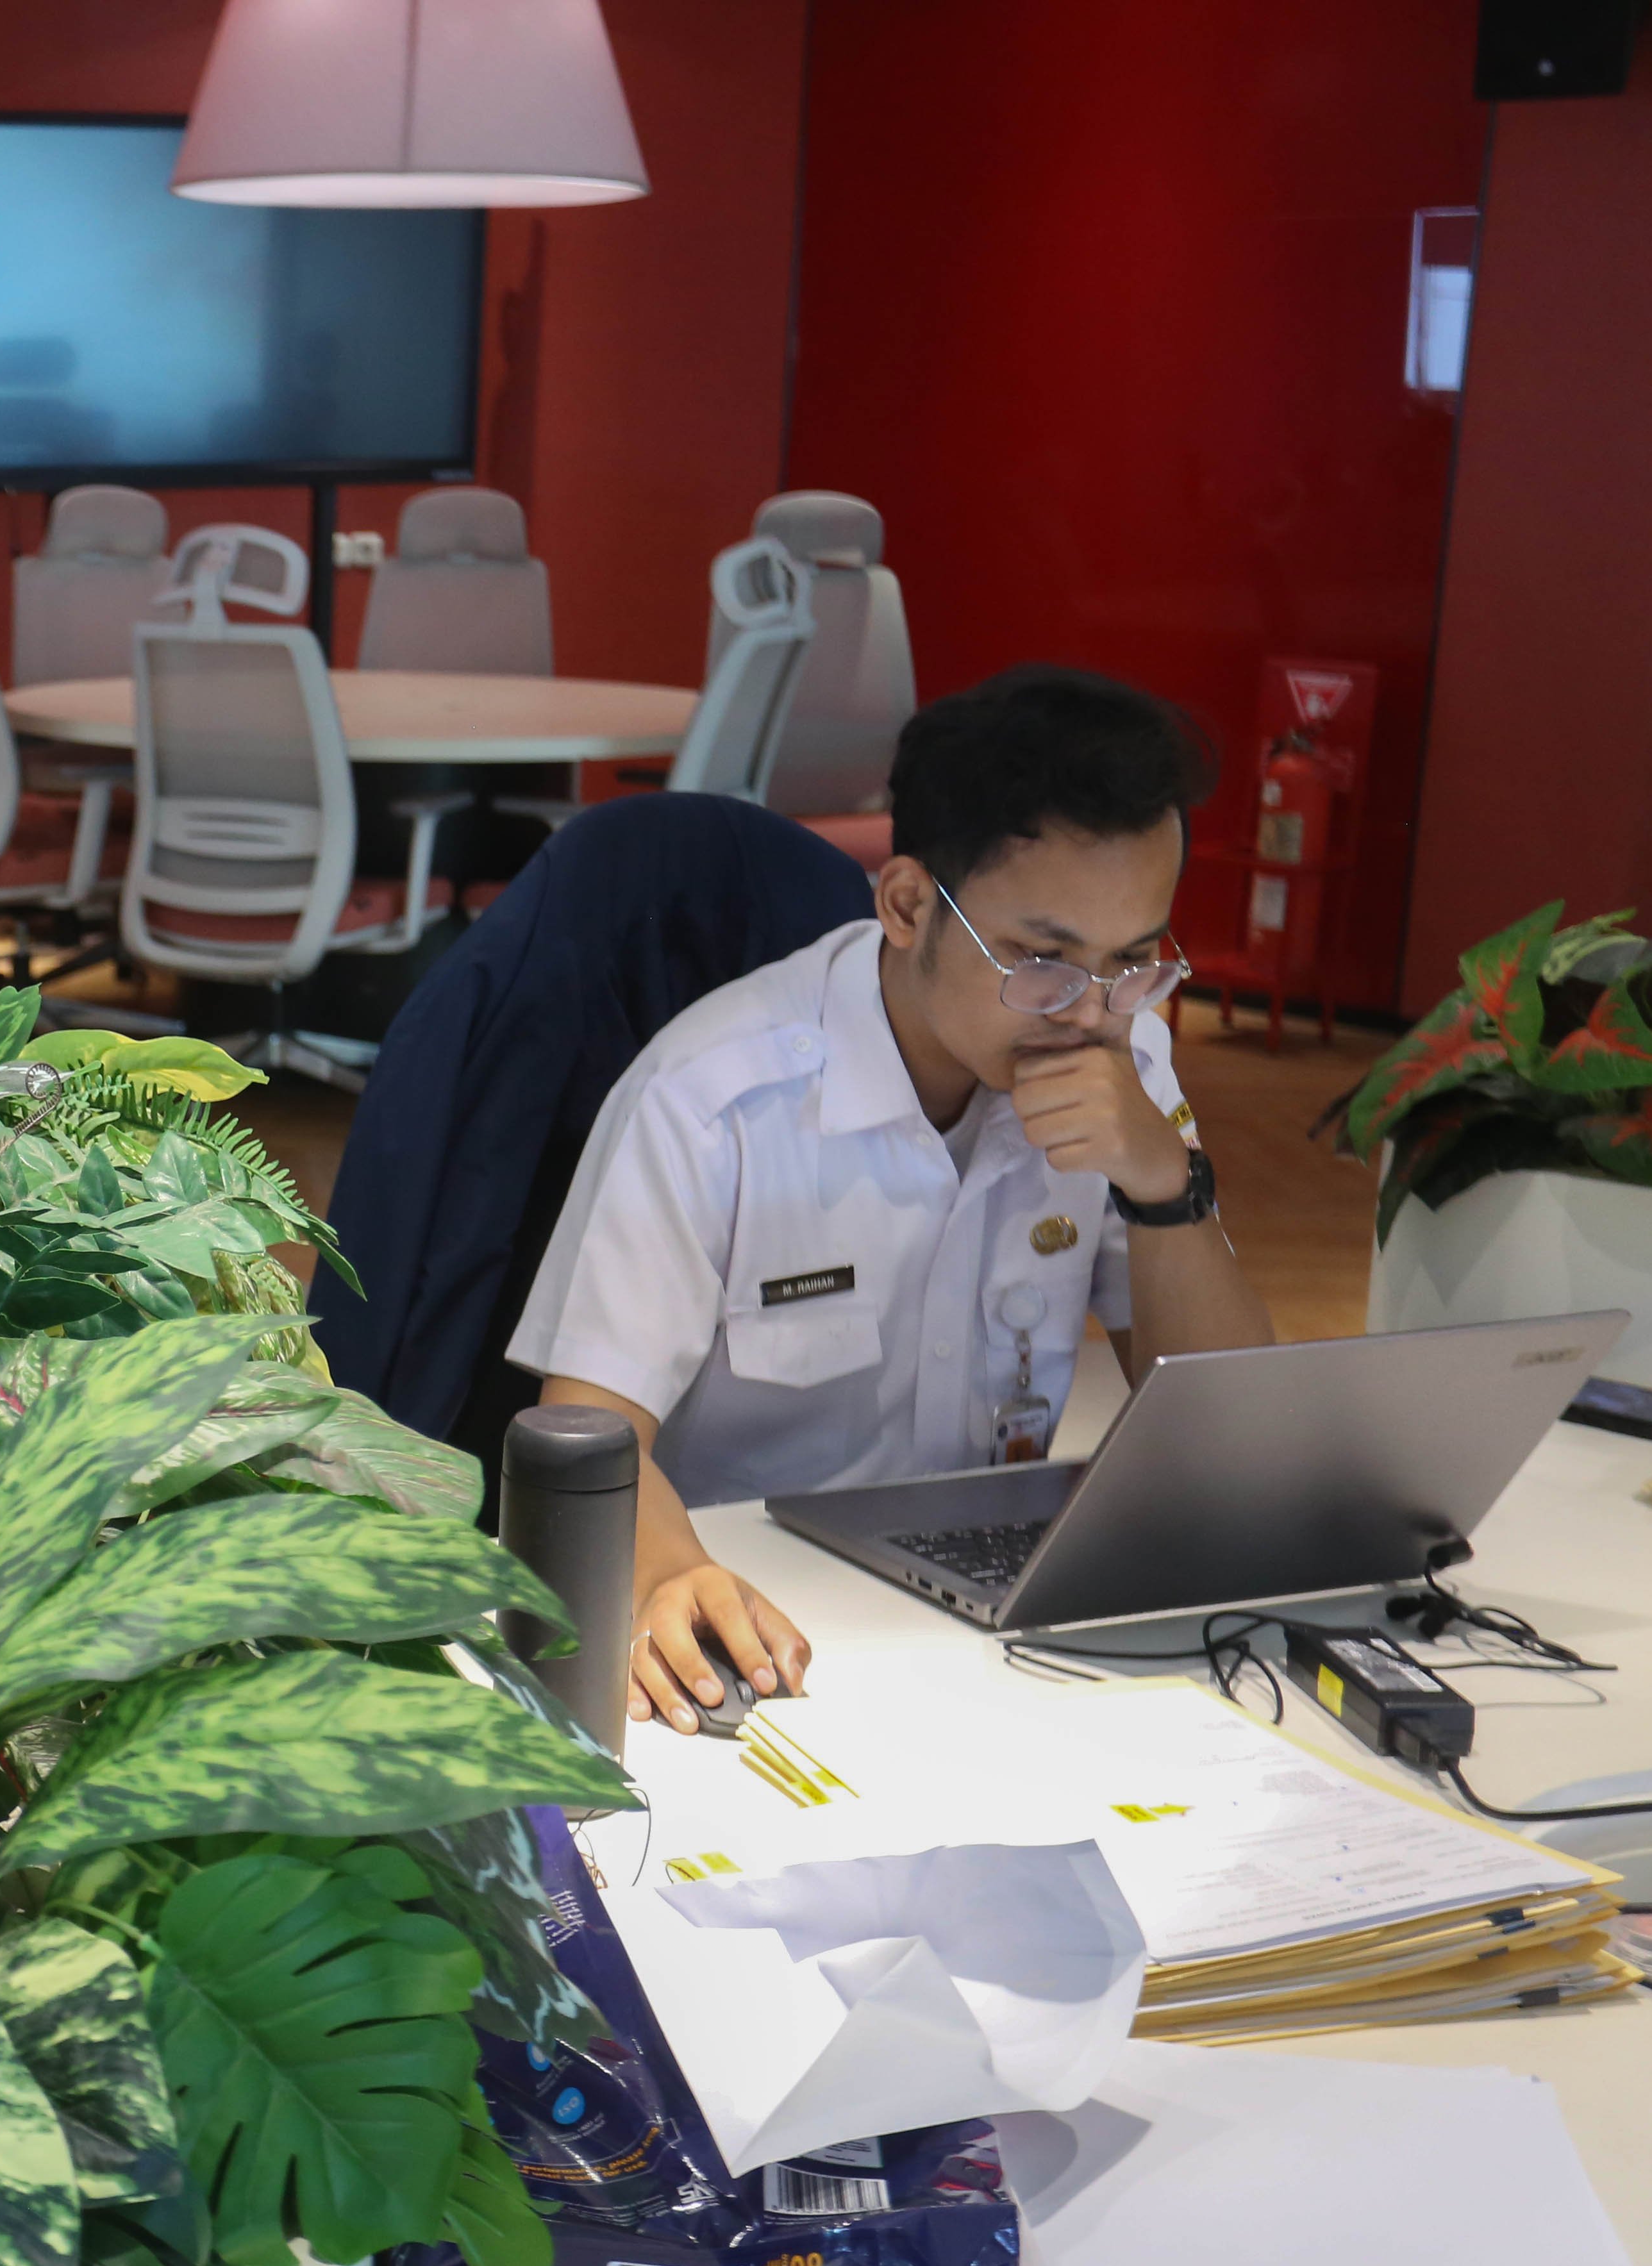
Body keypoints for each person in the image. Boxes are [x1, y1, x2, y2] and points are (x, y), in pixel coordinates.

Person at [509, 665, 1274, 1732]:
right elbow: (585, 1437)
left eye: (1134, 961)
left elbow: (1235, 1434)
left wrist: (1163, 1187)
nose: (1089, 1015)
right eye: (1042, 961)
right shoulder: (714, 1100)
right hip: (756, 1622)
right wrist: (672, 1572)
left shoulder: (1126, 1061)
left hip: (990, 1619)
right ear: (908, 904)